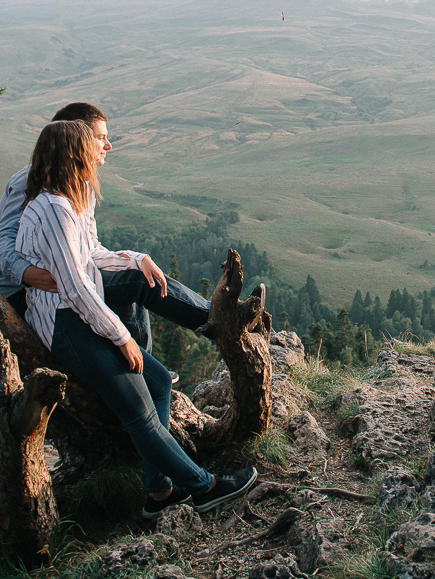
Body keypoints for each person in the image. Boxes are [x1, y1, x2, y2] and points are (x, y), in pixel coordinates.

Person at [15, 120, 258, 515]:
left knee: (158, 381)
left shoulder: (68, 202)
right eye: (96, 142)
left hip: (77, 315)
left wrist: (135, 258)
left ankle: (159, 492)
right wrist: (120, 336)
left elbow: (90, 256)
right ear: (74, 153)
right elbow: (75, 287)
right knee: (138, 412)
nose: (104, 148)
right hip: (67, 325)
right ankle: (204, 488)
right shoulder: (55, 210)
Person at [0, 103, 210, 367]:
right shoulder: (32, 180)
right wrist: (26, 274)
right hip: (23, 293)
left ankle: (142, 365)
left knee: (136, 280)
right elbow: (1, 240)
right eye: (101, 137)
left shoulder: (81, 184)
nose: (108, 145)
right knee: (137, 282)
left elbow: (91, 246)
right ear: (76, 138)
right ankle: (212, 322)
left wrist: (136, 259)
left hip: (62, 278)